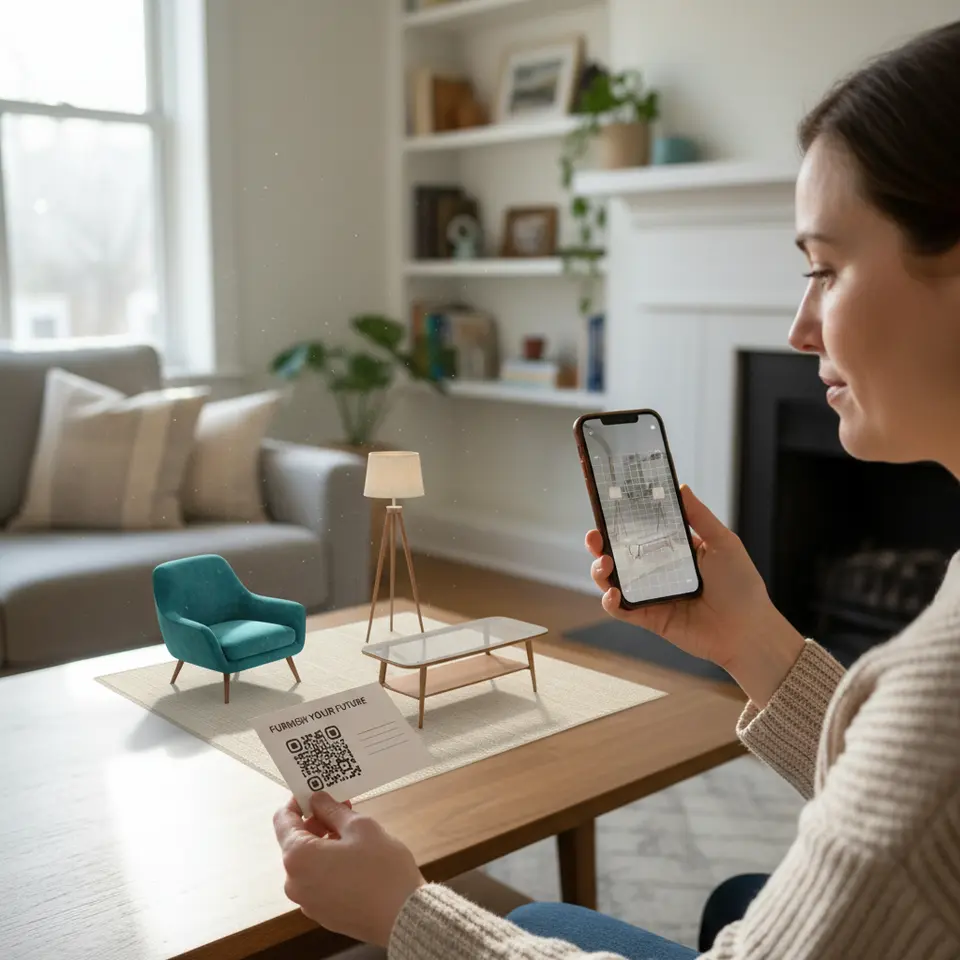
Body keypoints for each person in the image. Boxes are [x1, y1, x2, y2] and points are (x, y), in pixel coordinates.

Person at [272, 19, 960, 959]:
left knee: (534, 920)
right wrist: (754, 641)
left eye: (827, 269)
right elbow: (921, 830)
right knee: (737, 895)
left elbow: (925, 780)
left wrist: (403, 913)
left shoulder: (939, 684)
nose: (800, 328)